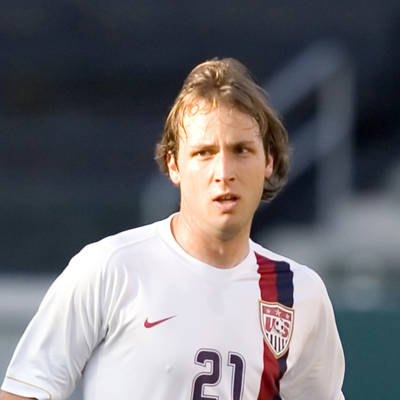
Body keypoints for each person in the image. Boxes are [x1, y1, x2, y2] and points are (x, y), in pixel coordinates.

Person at [0, 58, 345, 400]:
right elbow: (26, 390)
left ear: (268, 160)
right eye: (204, 153)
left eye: (241, 150)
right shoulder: (111, 268)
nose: (223, 171)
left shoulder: (298, 294)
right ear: (173, 164)